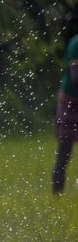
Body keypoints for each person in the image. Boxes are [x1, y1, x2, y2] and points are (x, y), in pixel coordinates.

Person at [53, 33, 78, 194]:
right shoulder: (76, 43)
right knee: (65, 148)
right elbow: (75, 76)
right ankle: (57, 192)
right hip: (71, 100)